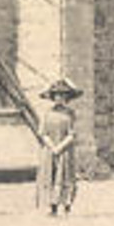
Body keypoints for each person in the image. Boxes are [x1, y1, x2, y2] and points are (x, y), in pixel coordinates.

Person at [35, 79, 82, 216]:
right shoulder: (47, 113)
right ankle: (53, 206)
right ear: (52, 97)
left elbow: (72, 134)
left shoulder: (70, 114)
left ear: (66, 98)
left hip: (65, 150)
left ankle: (67, 205)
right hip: (49, 150)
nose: (59, 98)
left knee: (65, 175)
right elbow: (43, 133)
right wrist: (52, 147)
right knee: (51, 175)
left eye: (62, 95)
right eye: (56, 95)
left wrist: (61, 147)